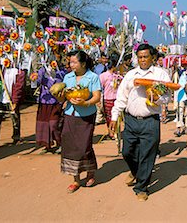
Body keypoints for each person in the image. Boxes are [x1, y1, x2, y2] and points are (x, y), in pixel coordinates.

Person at [110, 44, 171, 201]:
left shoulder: (161, 75)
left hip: (150, 121)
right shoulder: (131, 75)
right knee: (127, 152)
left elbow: (167, 97)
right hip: (130, 120)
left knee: (147, 155)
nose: (143, 60)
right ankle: (136, 171)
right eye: (140, 57)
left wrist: (156, 96)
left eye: (146, 57)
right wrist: (114, 116)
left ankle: (141, 187)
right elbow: (121, 97)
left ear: (153, 58)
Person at [57, 50, 101, 193]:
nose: (71, 64)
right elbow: (62, 98)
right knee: (70, 145)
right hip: (70, 114)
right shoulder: (67, 77)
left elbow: (97, 96)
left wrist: (86, 103)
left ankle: (90, 172)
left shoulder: (93, 77)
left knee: (84, 146)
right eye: (70, 62)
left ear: (82, 63)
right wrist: (58, 96)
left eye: (74, 62)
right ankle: (75, 180)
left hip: (86, 115)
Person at [0, 66, 26, 151]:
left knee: (15, 118)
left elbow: (19, 87)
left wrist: (15, 101)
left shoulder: (19, 71)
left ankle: (16, 137)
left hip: (11, 98)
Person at [34, 62, 66, 154]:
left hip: (57, 103)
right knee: (43, 124)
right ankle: (47, 145)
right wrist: (35, 77)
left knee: (54, 124)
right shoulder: (42, 71)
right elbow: (37, 82)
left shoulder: (62, 73)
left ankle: (60, 143)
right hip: (44, 102)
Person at [99, 53, 121, 139]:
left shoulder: (118, 76)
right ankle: (110, 131)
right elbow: (100, 86)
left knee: (116, 116)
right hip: (107, 98)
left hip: (116, 98)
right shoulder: (103, 75)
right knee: (109, 116)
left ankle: (115, 131)